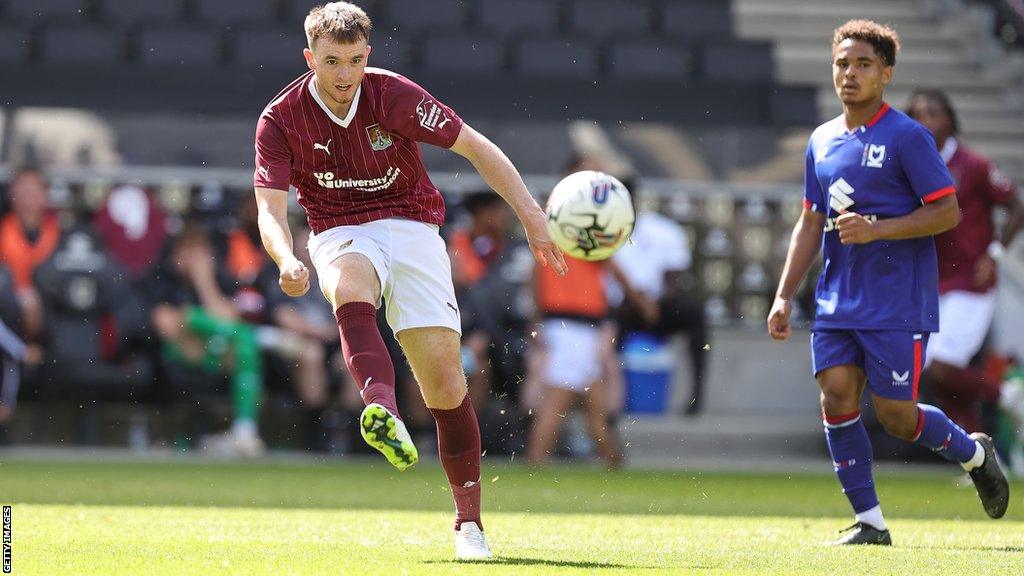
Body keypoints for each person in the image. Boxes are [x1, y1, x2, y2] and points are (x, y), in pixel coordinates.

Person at [251, 2, 566, 560]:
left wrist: (532, 216)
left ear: (367, 55)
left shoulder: (391, 93)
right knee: (350, 285)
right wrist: (286, 260)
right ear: (309, 58)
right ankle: (382, 406)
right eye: (332, 62)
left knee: (446, 386)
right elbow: (270, 210)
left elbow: (476, 147)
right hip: (339, 229)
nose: (345, 75)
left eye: (354, 60)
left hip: (413, 226)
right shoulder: (282, 118)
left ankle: (469, 524)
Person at [767, 20, 1009, 546]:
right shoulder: (822, 140)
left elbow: (946, 212)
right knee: (835, 395)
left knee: (897, 418)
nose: (850, 74)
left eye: (863, 65)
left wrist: (878, 230)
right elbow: (810, 220)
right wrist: (784, 293)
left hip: (896, 301)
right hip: (836, 298)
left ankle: (974, 453)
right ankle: (870, 523)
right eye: (842, 64)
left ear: (886, 74)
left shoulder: (907, 136)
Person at [905, 90, 1024, 433]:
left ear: (950, 120)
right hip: (931, 284)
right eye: (916, 114)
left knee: (941, 368)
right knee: (936, 378)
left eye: (933, 113)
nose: (924, 121)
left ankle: (1005, 393)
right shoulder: (910, 168)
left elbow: (1017, 206)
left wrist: (995, 253)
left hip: (972, 281)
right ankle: (979, 456)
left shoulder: (973, 164)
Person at [146, 224, 266, 457]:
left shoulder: (218, 279)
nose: (195, 259)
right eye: (189, 251)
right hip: (176, 357)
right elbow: (167, 326)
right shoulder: (162, 278)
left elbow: (231, 319)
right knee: (234, 334)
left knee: (245, 347)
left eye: (201, 253)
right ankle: (267, 337)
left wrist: (204, 282)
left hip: (216, 353)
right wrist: (193, 321)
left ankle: (244, 433)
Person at [612, 177, 708, 415]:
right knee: (606, 323)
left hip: (659, 306)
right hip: (620, 310)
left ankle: (696, 394)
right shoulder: (601, 233)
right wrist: (637, 300)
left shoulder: (663, 230)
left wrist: (653, 302)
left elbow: (675, 276)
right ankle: (611, 400)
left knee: (695, 315)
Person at [0, 168, 61, 343]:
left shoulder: (57, 232)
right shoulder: (4, 231)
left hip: (51, 306)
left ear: (45, 196)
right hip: (11, 307)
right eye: (22, 192)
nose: (28, 199)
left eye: (34, 191)